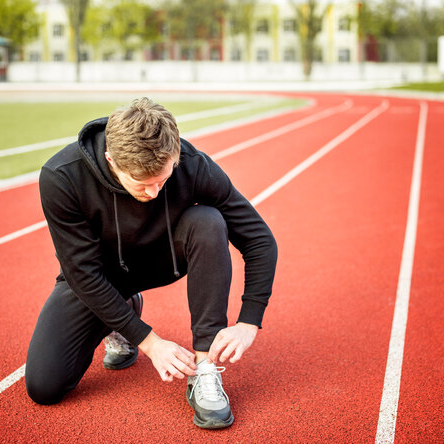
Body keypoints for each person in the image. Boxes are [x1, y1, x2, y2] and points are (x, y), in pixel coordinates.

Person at [25, 97, 277, 429]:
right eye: (142, 184)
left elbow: (259, 238)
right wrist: (150, 342)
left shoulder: (191, 163)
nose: (155, 192)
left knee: (208, 221)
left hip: (165, 257)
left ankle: (204, 369)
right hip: (100, 275)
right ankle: (123, 313)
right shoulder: (62, 177)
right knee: (44, 387)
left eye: (163, 178)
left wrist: (249, 321)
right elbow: (82, 273)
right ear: (111, 160)